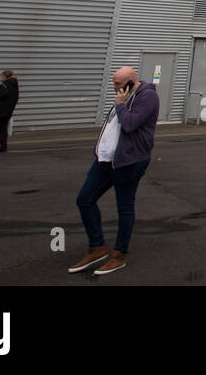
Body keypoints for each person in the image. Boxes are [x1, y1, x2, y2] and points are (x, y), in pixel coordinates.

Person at [69, 66, 160, 276]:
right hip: (106, 160)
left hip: (129, 161)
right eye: (114, 83)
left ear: (130, 81)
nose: (114, 87)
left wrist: (120, 104)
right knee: (84, 199)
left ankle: (119, 255)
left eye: (118, 84)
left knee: (124, 206)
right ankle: (97, 247)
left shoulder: (147, 97)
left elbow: (129, 125)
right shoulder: (124, 95)